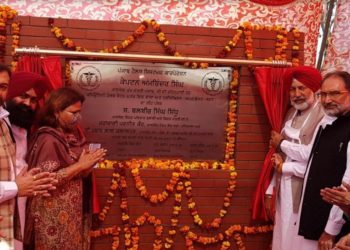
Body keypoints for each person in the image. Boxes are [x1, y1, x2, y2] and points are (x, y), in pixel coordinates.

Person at [24, 87, 106, 250]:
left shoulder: (72, 136)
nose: (78, 117)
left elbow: (76, 173)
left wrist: (87, 166)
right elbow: (44, 181)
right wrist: (80, 165)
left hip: (72, 213)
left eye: (79, 112)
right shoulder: (48, 139)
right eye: (72, 112)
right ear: (56, 111)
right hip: (51, 215)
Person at [265, 66, 324, 250]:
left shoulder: (323, 116)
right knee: (282, 234)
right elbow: (280, 156)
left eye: (302, 88)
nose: (296, 94)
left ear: (314, 89)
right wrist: (270, 189)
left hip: (306, 191)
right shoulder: (291, 113)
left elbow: (312, 157)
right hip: (284, 187)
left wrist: (282, 145)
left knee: (300, 240)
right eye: (292, 89)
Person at [0, 64, 56, 250]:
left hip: (14, 210)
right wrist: (16, 186)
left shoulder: (18, 127)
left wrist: (34, 181)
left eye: (33, 100)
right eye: (23, 96)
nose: (28, 104)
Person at [292, 71, 350, 250]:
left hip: (333, 230)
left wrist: (330, 230)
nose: (327, 100)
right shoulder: (326, 123)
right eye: (323, 94)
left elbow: (346, 188)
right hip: (312, 218)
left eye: (335, 93)